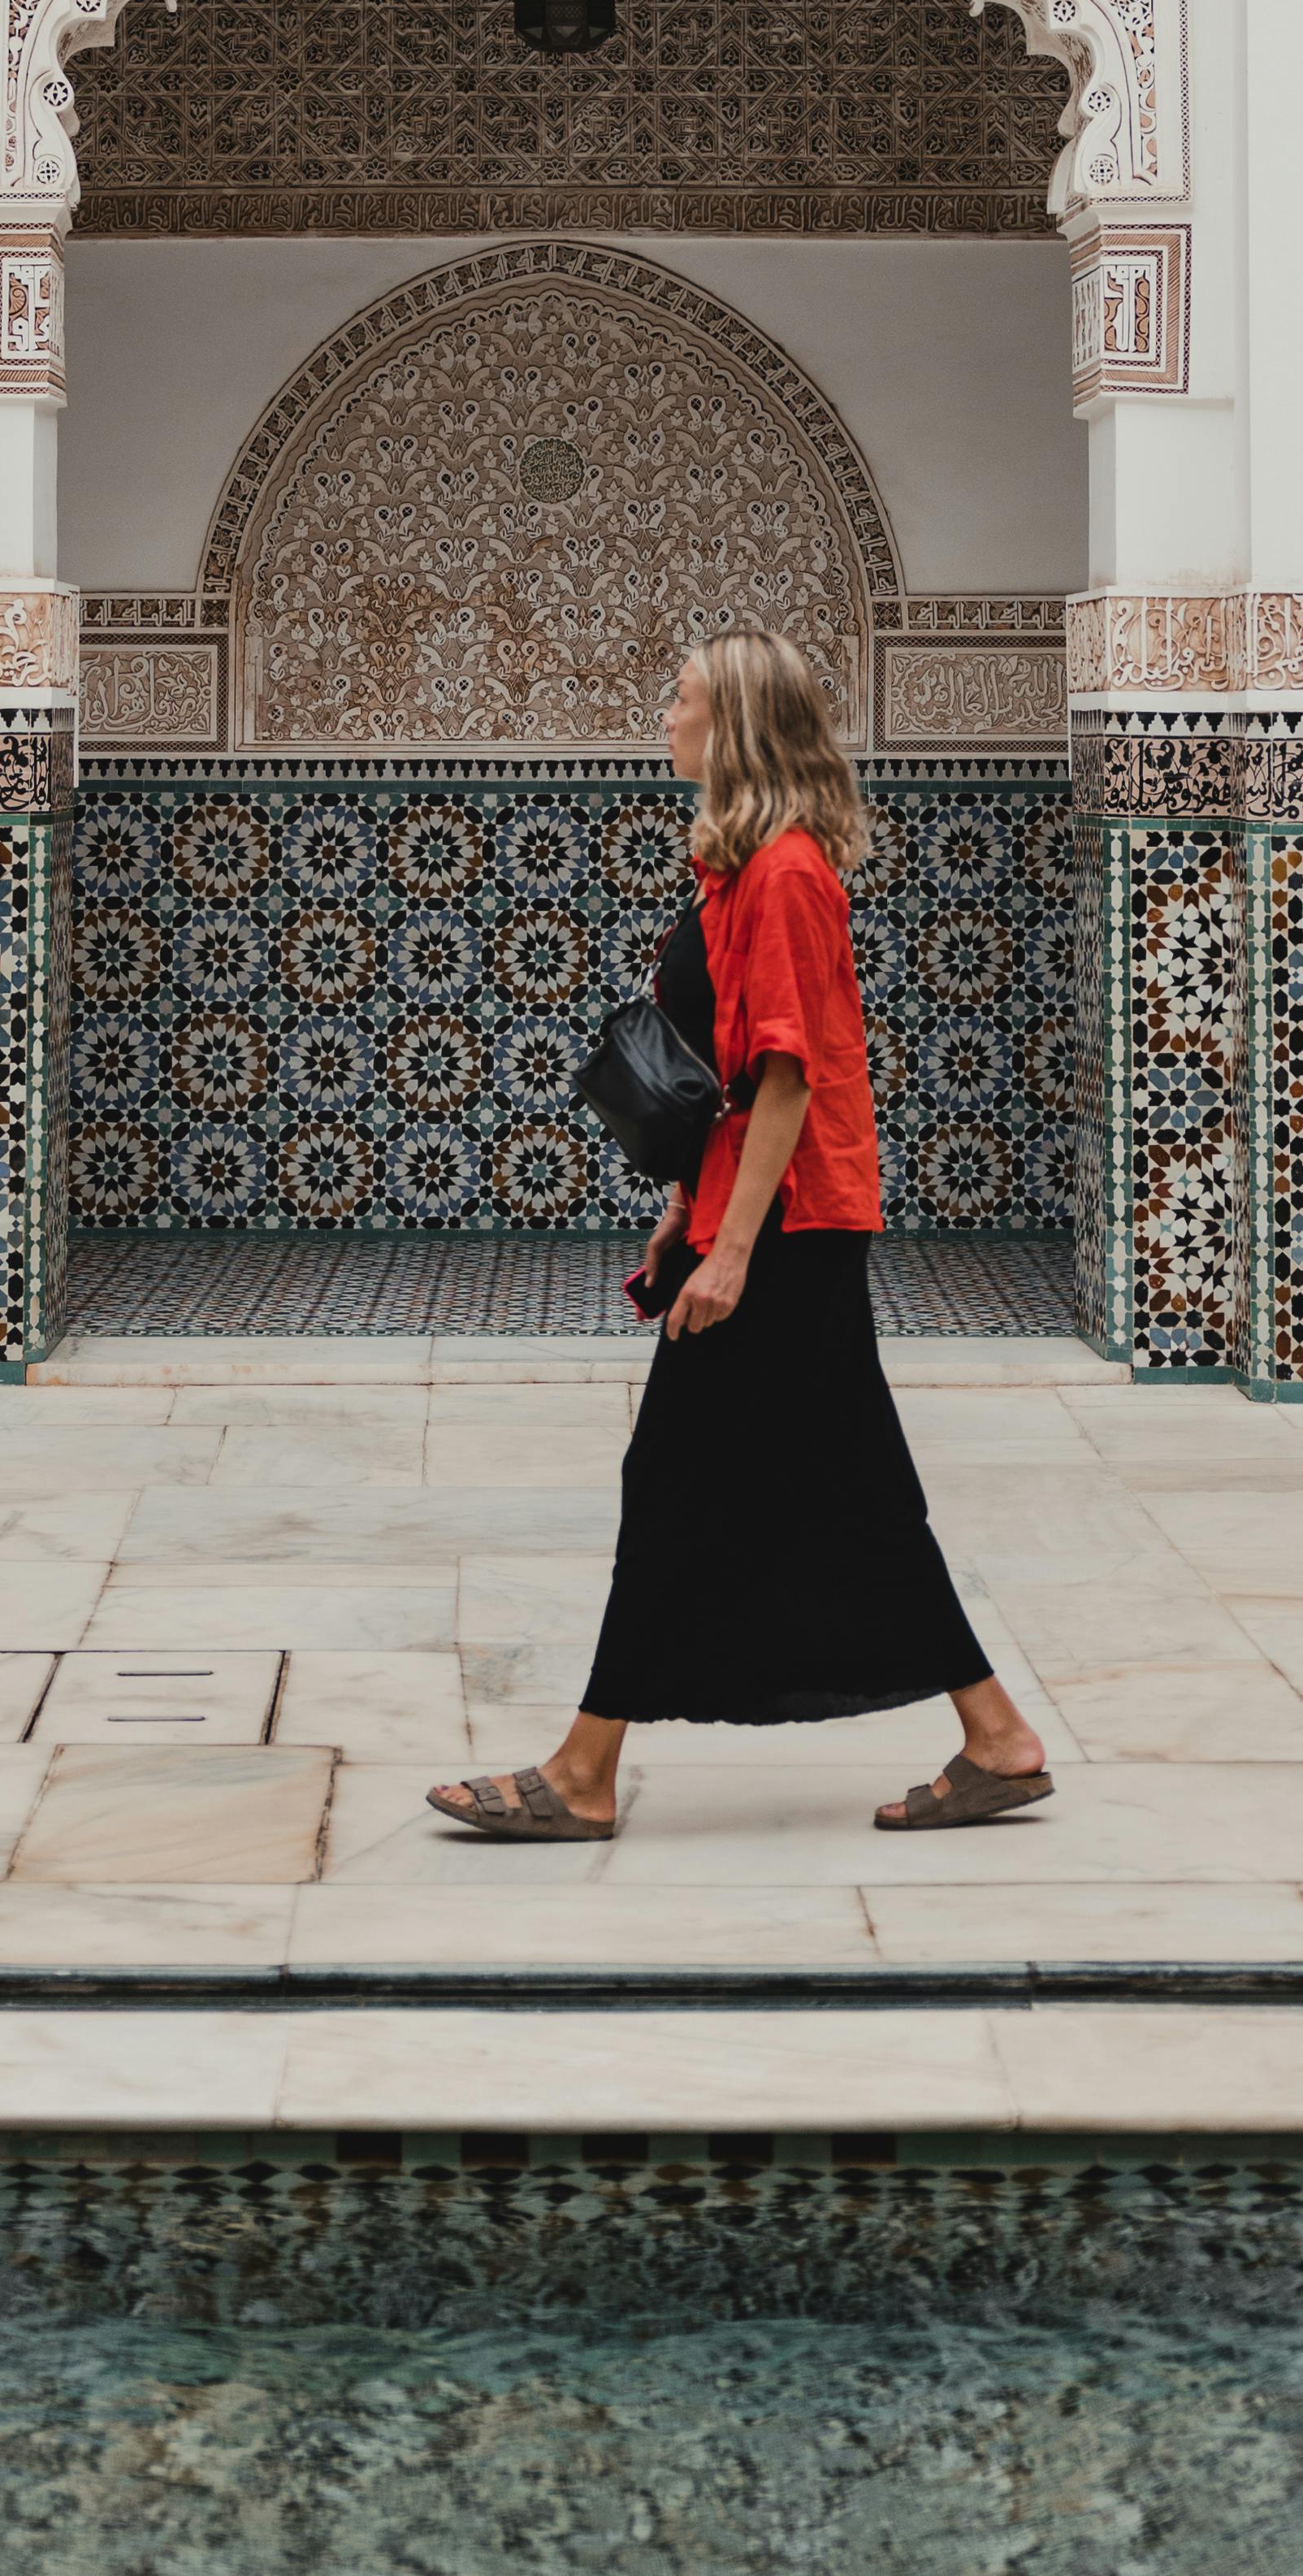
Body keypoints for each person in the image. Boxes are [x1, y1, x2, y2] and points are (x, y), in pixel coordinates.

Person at [428, 627, 1051, 1841]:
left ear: (739, 728)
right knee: (850, 1487)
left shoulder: (786, 877)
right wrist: (683, 1214)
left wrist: (735, 1252)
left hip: (794, 1232)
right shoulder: (745, 868)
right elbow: (723, 1078)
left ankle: (584, 1773)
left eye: (686, 698)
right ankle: (997, 1738)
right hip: (764, 1222)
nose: (665, 714)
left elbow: (787, 1078)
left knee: (676, 1482)